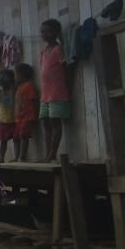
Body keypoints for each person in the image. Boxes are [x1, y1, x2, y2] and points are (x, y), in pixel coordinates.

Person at [39, 18, 71, 162]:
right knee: (45, 122)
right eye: (43, 32)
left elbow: (66, 68)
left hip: (57, 92)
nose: (45, 34)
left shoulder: (58, 49)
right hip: (45, 94)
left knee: (55, 123)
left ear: (56, 33)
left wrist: (67, 87)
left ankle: (52, 154)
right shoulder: (43, 50)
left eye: (48, 31)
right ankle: (48, 154)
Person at [0, 68, 17, 163]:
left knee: (16, 139)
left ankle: (17, 157)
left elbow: (14, 86)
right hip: (4, 120)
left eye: (5, 78)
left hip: (15, 119)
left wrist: (8, 81)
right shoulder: (0, 91)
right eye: (1, 78)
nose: (3, 80)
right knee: (3, 141)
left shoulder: (14, 88)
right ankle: (1, 158)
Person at [13, 63, 38, 162]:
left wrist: (35, 115)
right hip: (18, 118)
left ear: (21, 75)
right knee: (16, 138)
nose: (15, 77)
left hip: (27, 117)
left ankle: (22, 156)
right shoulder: (19, 87)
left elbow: (34, 100)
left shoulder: (29, 86)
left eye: (16, 75)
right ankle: (16, 156)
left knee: (24, 136)